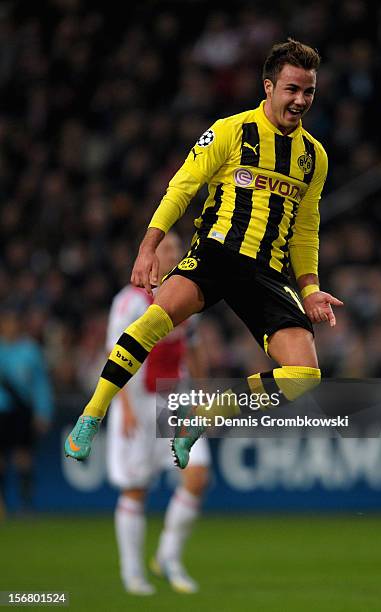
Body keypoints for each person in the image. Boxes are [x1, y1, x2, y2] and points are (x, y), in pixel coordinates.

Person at [65, 38, 343, 469]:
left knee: (305, 376)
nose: (300, 100)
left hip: (267, 272)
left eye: (308, 91)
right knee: (153, 320)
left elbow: (306, 229)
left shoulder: (313, 157)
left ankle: (202, 416)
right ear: (268, 87)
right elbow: (183, 186)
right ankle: (92, 412)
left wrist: (310, 288)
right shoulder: (232, 131)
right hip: (217, 254)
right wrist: (149, 246)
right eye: (292, 89)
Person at [106, 232, 210, 595]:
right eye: (167, 248)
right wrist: (125, 407)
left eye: (178, 249)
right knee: (137, 489)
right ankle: (132, 571)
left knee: (197, 475)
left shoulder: (186, 294)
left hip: (175, 399)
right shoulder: (130, 301)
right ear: (150, 254)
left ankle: (167, 556)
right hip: (137, 399)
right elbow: (113, 355)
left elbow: (193, 345)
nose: (174, 253)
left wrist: (203, 392)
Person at [0, 308, 53, 513]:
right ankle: (2, 504)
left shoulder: (30, 350)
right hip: (2, 410)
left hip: (23, 410)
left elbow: (41, 384)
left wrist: (43, 411)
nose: (10, 327)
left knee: (24, 456)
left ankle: (25, 503)